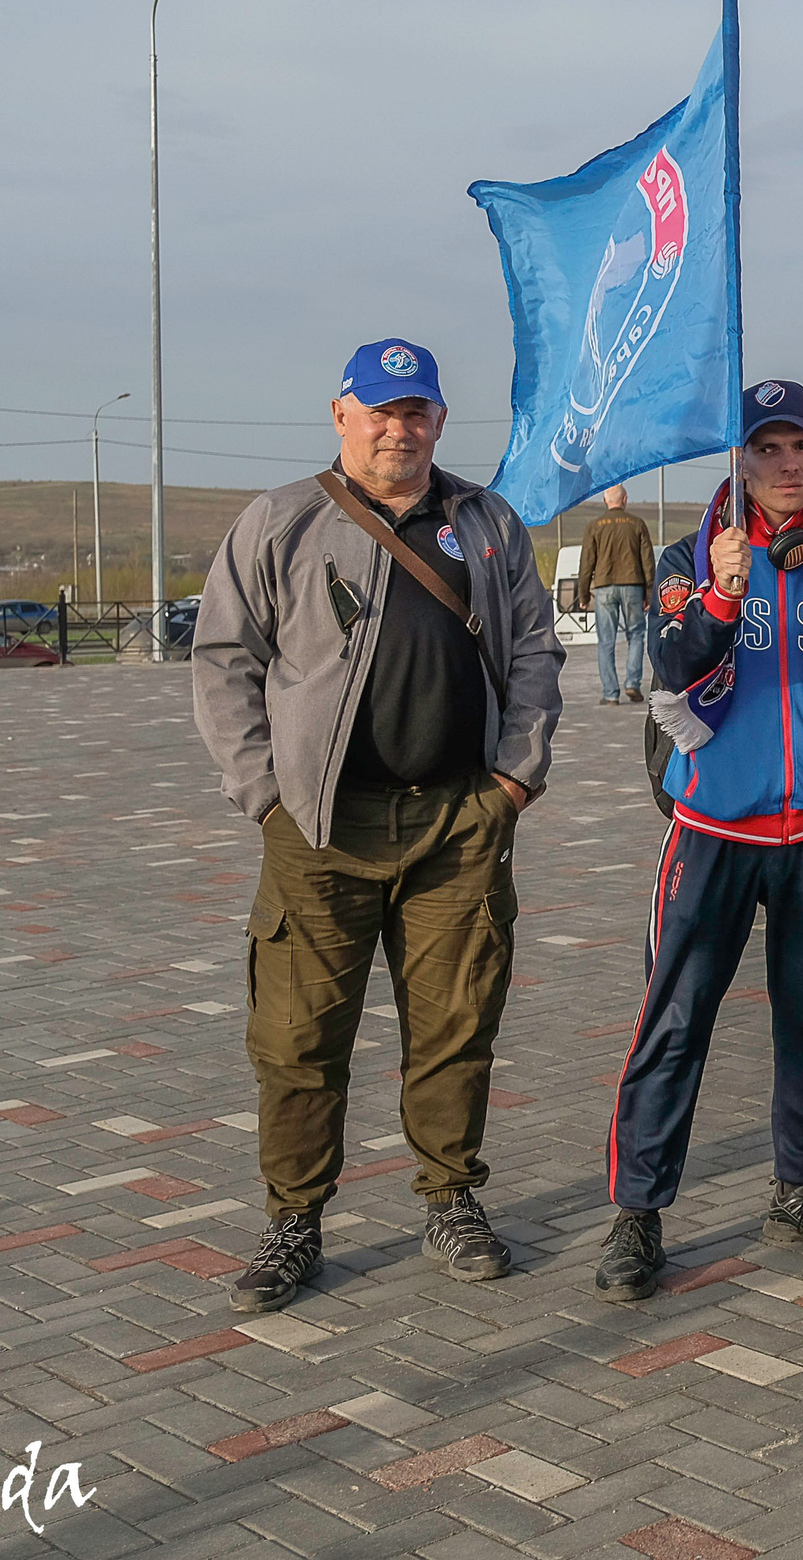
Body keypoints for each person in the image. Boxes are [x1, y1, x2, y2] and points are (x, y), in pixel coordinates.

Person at [193, 337, 565, 1314]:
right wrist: (263, 793)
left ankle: (450, 1199)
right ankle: (294, 1221)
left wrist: (513, 781)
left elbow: (533, 652)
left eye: (417, 412)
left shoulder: (485, 522)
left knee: (456, 1024)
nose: (399, 429)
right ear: (341, 414)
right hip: (320, 829)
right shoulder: (284, 520)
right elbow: (225, 658)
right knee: (299, 1033)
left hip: (458, 820)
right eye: (381, 411)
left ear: (439, 420)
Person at [595, 380, 803, 1300]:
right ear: (739, 458)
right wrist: (718, 598)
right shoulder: (684, 558)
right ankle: (638, 1213)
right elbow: (669, 666)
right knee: (675, 1018)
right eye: (767, 448)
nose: (786, 464)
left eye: (799, 448)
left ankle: (799, 1185)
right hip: (712, 830)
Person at [576, 483, 655, 705]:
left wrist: (583, 595)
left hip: (604, 587)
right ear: (625, 499)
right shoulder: (636, 524)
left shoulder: (594, 526)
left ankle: (611, 694)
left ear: (605, 501)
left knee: (606, 641)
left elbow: (586, 563)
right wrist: (649, 591)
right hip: (632, 585)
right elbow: (647, 560)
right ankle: (632, 684)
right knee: (637, 634)